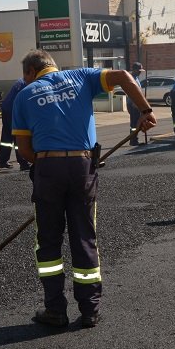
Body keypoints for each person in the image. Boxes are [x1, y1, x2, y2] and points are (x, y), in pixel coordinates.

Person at [12, 49, 156, 329]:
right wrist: (146, 111)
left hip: (48, 170)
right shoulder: (82, 76)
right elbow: (125, 76)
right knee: (84, 237)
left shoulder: (24, 95)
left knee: (49, 242)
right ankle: (90, 310)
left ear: (31, 72)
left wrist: (47, 164)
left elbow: (26, 150)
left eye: (25, 76)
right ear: (53, 66)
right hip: (82, 167)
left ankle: (55, 310)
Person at [0, 78, 29, 170]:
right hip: (14, 110)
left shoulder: (20, 81)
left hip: (7, 108)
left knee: (7, 136)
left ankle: (2, 161)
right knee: (19, 135)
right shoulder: (29, 83)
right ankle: (23, 162)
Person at [127, 61, 145, 146]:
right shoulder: (131, 78)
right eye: (139, 70)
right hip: (133, 104)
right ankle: (133, 140)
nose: (140, 72)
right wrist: (135, 103)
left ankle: (134, 139)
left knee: (137, 122)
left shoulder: (136, 78)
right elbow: (131, 91)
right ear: (134, 70)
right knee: (134, 123)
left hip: (137, 103)